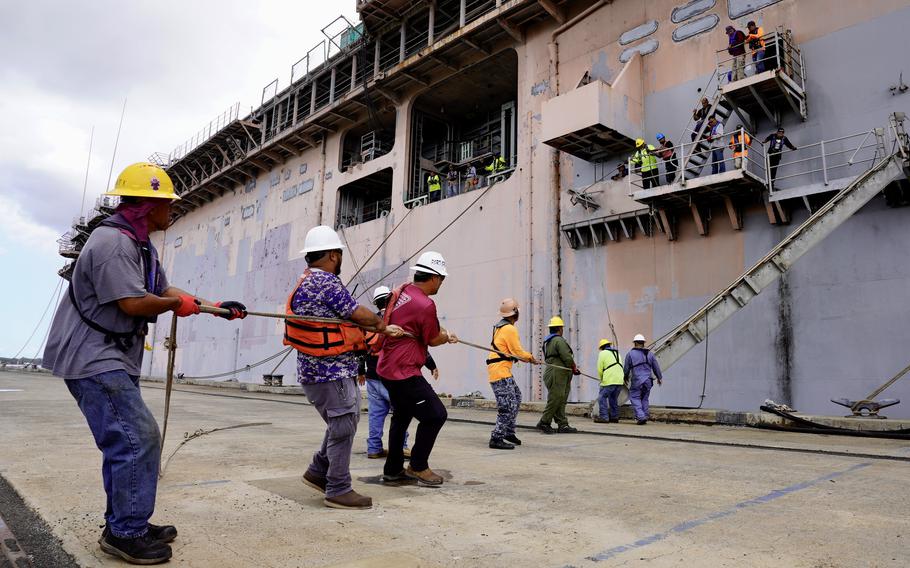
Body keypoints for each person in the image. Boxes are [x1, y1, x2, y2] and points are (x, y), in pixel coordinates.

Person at [43, 163, 248, 565]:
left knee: (126, 440)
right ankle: (125, 532)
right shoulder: (113, 244)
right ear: (148, 204)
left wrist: (214, 307)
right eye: (166, 204)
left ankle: (126, 521)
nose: (171, 210)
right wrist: (177, 305)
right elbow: (133, 303)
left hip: (112, 355)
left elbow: (162, 289)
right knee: (138, 437)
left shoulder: (139, 244)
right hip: (93, 356)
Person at [288, 225, 404, 510]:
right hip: (330, 370)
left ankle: (318, 471)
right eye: (338, 254)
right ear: (332, 255)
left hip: (319, 370)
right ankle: (338, 488)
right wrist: (380, 324)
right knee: (343, 424)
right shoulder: (325, 282)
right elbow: (356, 312)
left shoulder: (307, 280)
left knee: (344, 420)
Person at [377, 251, 458, 486]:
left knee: (401, 417)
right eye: (441, 278)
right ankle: (418, 466)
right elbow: (432, 338)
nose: (441, 283)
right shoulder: (425, 304)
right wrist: (446, 337)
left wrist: (441, 333)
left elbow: (422, 328)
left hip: (388, 367)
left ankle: (392, 470)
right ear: (433, 277)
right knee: (436, 416)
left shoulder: (403, 291)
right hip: (404, 371)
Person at [360, 286, 437, 459]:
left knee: (376, 415)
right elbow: (417, 344)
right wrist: (431, 365)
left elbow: (362, 348)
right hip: (392, 375)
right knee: (402, 414)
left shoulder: (371, 323)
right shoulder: (397, 319)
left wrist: (360, 371)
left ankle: (373, 448)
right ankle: (401, 447)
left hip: (372, 375)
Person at [486, 298, 538, 450]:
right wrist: (530, 358)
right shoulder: (509, 329)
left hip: (501, 369)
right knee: (507, 406)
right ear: (515, 312)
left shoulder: (500, 327)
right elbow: (517, 352)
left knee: (516, 397)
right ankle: (496, 437)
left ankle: (508, 431)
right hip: (500, 371)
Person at [537, 316, 581, 434]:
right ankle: (544, 422)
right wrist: (574, 367)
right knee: (556, 398)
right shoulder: (559, 340)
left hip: (553, 372)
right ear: (560, 328)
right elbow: (567, 357)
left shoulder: (547, 341)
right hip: (558, 373)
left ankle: (563, 424)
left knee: (560, 399)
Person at [623, 334, 663, 425]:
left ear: (635, 343)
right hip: (648, 380)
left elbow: (626, 368)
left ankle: (641, 417)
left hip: (637, 380)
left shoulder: (630, 354)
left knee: (634, 397)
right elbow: (656, 366)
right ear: (643, 343)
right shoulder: (650, 354)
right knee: (645, 398)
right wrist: (659, 378)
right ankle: (645, 415)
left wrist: (625, 377)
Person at [593, 339, 624, 423]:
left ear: (602, 347)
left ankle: (604, 417)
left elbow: (600, 368)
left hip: (610, 380)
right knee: (613, 398)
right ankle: (614, 417)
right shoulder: (617, 353)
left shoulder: (602, 353)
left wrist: (601, 378)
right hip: (620, 380)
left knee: (601, 397)